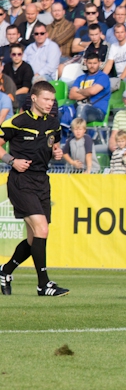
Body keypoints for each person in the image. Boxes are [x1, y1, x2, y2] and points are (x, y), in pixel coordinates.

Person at [0, 81, 69, 297]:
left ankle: (5, 270)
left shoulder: (53, 123)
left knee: (34, 239)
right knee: (42, 230)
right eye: (46, 99)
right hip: (21, 180)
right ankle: (43, 285)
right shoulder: (17, 122)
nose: (50, 103)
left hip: (42, 181)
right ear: (34, 98)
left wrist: (57, 153)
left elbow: (54, 144)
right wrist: (12, 161)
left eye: (52, 100)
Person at [68, 54, 111, 123]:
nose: (92, 66)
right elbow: (72, 95)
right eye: (90, 63)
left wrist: (79, 90)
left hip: (97, 111)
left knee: (82, 108)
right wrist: (88, 92)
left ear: (99, 63)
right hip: (79, 107)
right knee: (63, 110)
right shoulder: (80, 78)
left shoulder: (103, 77)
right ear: (85, 63)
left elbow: (92, 91)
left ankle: (80, 133)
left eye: (95, 63)